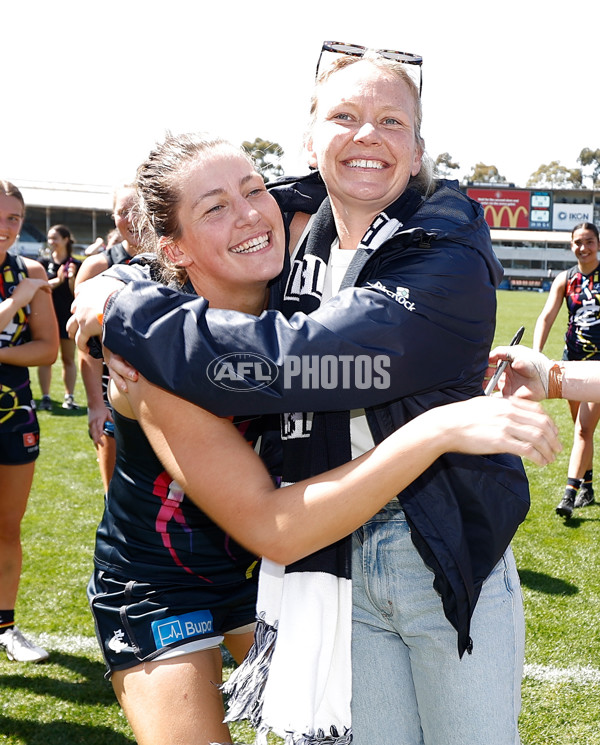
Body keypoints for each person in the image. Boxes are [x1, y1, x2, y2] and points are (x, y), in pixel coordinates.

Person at [71, 48, 536, 745]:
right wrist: (112, 288)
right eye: (217, 208)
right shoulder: (157, 350)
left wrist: (117, 296)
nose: (252, 215)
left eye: (255, 190)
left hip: (284, 566)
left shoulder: (300, 255)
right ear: (174, 247)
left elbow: (301, 352)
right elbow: (273, 519)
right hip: (170, 571)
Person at [0, 180, 59, 662]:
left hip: (13, 413)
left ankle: (6, 625)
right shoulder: (25, 285)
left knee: (7, 525)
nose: (6, 228)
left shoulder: (29, 269)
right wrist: (17, 301)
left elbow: (48, 348)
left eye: (14, 219)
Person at [532, 222, 600, 518]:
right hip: (572, 363)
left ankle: (570, 493)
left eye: (588, 241)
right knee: (580, 426)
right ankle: (588, 485)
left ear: (598, 243)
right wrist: (535, 354)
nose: (582, 248)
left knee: (584, 428)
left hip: (599, 367)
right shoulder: (566, 278)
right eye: (577, 242)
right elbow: (546, 317)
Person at [75, 185, 141, 492]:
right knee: (114, 493)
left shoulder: (177, 257)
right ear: (113, 217)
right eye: (123, 211)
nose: (133, 218)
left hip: (162, 396)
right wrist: (95, 405)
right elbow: (83, 343)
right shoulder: (99, 265)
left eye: (139, 207)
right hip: (112, 394)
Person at [37, 224, 81, 411]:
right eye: (49, 238)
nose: (51, 242)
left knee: (68, 359)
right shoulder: (41, 263)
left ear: (65, 240)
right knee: (45, 359)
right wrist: (57, 280)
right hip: (46, 316)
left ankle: (68, 398)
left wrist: (71, 279)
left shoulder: (75, 265)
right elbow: (38, 288)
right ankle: (45, 397)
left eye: (55, 238)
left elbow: (77, 294)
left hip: (66, 316)